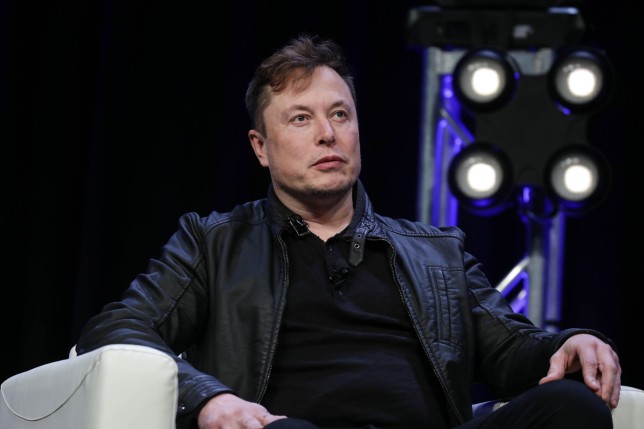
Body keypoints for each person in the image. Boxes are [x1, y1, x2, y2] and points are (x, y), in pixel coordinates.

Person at [75, 33, 621, 429]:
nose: (327, 134)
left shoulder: (436, 252)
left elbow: (510, 350)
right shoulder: (213, 242)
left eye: (340, 114)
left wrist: (569, 342)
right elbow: (118, 328)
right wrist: (208, 398)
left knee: (572, 408)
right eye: (301, 118)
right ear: (259, 148)